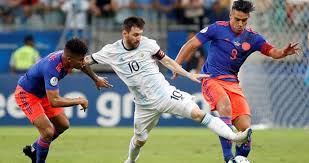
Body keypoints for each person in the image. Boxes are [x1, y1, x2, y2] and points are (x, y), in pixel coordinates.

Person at [84, 16, 251, 163]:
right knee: (140, 140)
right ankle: (130, 160)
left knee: (198, 113)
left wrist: (188, 75)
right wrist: (92, 76)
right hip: (143, 105)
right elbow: (85, 61)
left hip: (165, 94)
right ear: (125, 33)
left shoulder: (148, 44)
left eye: (140, 34)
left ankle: (234, 136)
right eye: (135, 35)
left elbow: (168, 61)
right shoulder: (110, 51)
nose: (139, 38)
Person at [172, 0, 300, 162]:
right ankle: (228, 158)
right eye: (237, 19)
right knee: (224, 105)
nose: (240, 24)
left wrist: (283, 52)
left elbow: (271, 51)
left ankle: (239, 159)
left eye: (244, 20)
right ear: (230, 15)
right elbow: (191, 45)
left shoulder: (253, 38)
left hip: (232, 83)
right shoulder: (217, 28)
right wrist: (176, 65)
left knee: (246, 130)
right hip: (211, 78)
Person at [15, 38, 112, 163]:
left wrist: (95, 78)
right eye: (81, 59)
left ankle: (34, 149)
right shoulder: (53, 68)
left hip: (43, 93)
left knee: (62, 125)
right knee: (48, 132)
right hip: (27, 94)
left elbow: (82, 66)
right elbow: (54, 101)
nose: (84, 62)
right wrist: (78, 100)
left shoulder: (69, 57)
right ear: (70, 59)